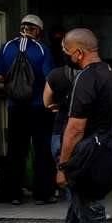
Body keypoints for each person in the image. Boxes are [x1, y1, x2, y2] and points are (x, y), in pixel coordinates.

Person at [35, 28, 112, 223]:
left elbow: (75, 128)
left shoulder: (86, 79)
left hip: (86, 154)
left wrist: (63, 166)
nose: (65, 55)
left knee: (90, 211)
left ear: (78, 52)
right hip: (107, 150)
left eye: (66, 51)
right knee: (79, 211)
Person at [0, 14, 56, 205]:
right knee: (42, 150)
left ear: (22, 27)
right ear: (37, 30)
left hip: (15, 107)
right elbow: (49, 80)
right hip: (38, 106)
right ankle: (43, 194)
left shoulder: (6, 47)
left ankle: (13, 194)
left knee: (15, 150)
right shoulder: (42, 49)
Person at [43, 64, 79, 202]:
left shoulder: (55, 74)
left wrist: (57, 105)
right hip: (86, 131)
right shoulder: (92, 74)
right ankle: (83, 211)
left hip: (60, 128)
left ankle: (75, 209)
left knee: (66, 172)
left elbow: (46, 102)